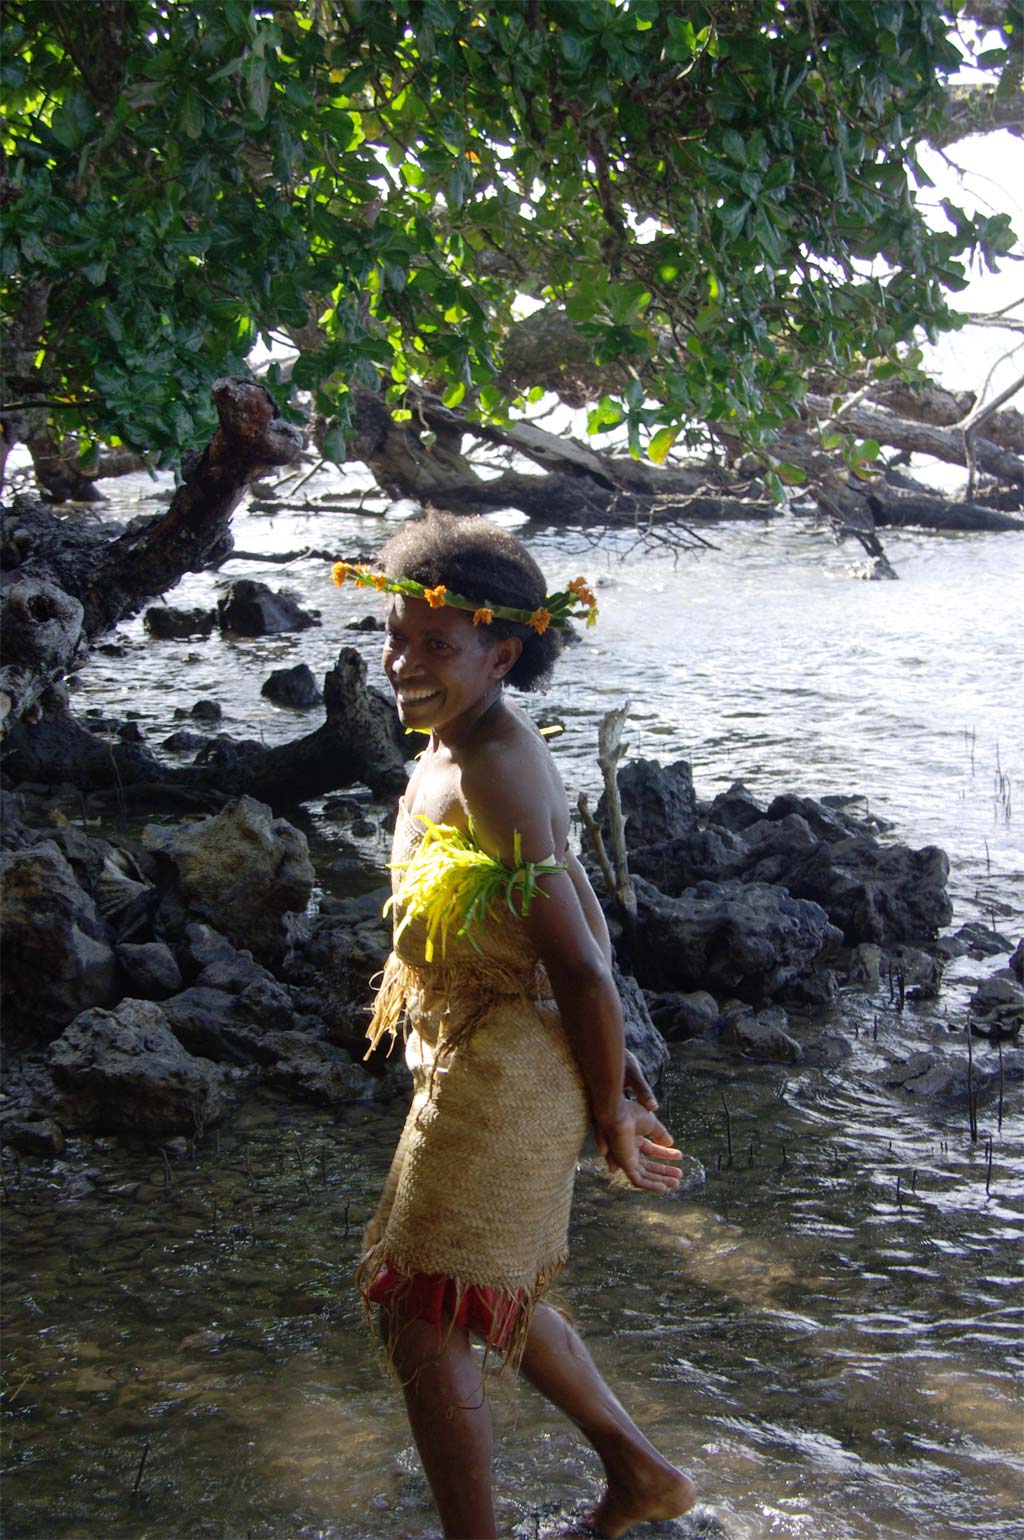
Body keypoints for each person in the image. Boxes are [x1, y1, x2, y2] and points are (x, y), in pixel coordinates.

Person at [334, 513, 696, 1540]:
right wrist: (614, 1072)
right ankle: (641, 1475)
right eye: (395, 638)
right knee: (469, 1285)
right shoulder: (457, 742)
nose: (403, 663)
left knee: (423, 1310)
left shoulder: (496, 762)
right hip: (475, 1053)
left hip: (506, 1075)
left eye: (435, 645)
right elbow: (583, 909)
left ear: (501, 654)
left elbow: (579, 962)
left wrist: (610, 1108)